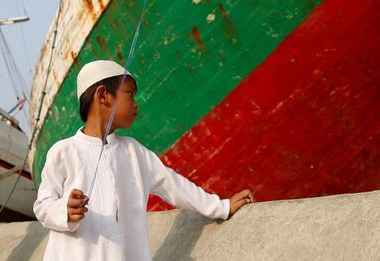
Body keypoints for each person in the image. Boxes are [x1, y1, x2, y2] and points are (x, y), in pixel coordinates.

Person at [34, 60, 254, 260]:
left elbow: (174, 185)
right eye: (129, 93)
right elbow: (43, 206)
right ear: (103, 95)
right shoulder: (63, 151)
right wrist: (65, 210)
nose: (136, 103)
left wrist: (221, 207)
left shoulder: (134, 152)